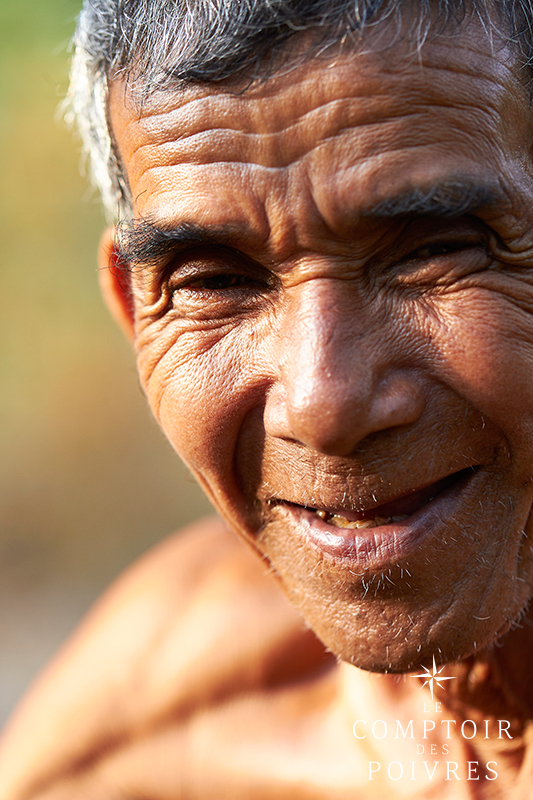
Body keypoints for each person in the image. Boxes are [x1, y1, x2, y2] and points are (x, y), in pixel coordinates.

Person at [2, 0, 533, 796]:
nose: (323, 406)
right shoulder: (152, 738)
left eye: (435, 250)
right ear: (133, 312)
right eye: (215, 281)